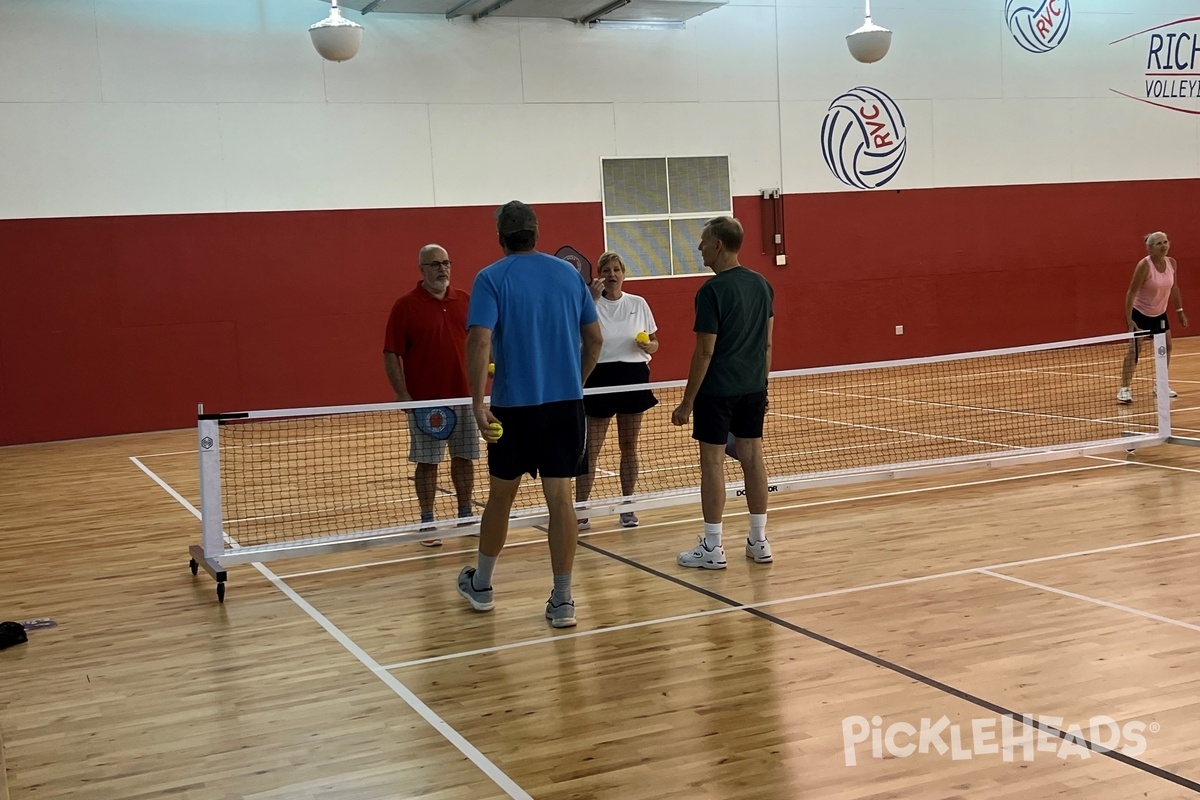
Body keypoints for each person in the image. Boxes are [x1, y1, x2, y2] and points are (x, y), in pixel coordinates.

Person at [456, 201, 603, 629]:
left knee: (500, 498)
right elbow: (594, 341)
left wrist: (476, 400)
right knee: (561, 502)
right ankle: (562, 600)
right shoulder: (569, 276)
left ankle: (481, 586)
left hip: (513, 410)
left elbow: (478, 341)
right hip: (565, 408)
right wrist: (574, 380)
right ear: (536, 234)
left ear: (500, 237)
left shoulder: (490, 278)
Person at [670, 216, 774, 570]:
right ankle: (759, 541)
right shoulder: (762, 285)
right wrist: (763, 384)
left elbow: (704, 351)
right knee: (753, 457)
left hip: (717, 390)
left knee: (712, 462)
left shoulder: (711, 292)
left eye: (703, 242)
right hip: (752, 386)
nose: (699, 248)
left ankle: (712, 546)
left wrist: (687, 402)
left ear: (717, 244)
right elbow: (768, 343)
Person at [384, 244, 480, 547]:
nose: (442, 269)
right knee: (427, 463)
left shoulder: (465, 301)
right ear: (421, 270)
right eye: (435, 264)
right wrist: (402, 394)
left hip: (465, 397)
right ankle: (428, 521)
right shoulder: (405, 306)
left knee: (464, 459)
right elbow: (391, 353)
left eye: (446, 263)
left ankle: (465, 515)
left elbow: (482, 342)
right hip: (427, 403)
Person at [575, 252, 660, 531]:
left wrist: (651, 347)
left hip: (633, 376)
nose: (612, 275)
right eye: (606, 270)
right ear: (599, 275)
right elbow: (575, 333)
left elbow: (655, 341)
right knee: (591, 450)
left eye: (616, 270)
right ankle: (580, 510)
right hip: (599, 377)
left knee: (629, 447)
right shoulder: (589, 304)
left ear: (624, 274)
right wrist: (590, 299)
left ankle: (628, 507)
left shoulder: (639, 303)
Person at [1117, 231, 1188, 403]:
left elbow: (1174, 288)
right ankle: (1124, 389)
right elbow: (1131, 292)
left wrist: (1179, 311)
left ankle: (1160, 385)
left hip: (1160, 313)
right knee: (1135, 351)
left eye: (1165, 242)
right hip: (1140, 313)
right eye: (1159, 244)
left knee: (1167, 347)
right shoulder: (1144, 266)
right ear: (1150, 249)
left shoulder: (1172, 263)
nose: (1164, 246)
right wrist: (1129, 319)